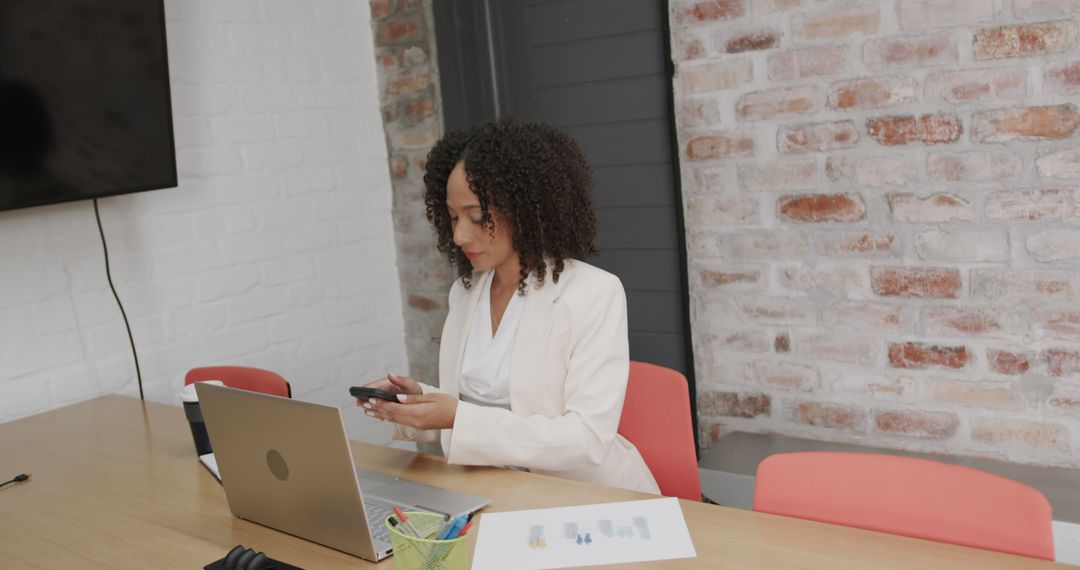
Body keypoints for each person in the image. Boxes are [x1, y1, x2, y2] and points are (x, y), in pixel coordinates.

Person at [359, 120, 659, 494]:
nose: (459, 235)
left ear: (526, 209)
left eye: (477, 218)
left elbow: (586, 439)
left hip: (583, 496)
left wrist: (458, 418)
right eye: (453, 217)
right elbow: (480, 400)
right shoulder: (465, 293)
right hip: (492, 487)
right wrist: (416, 399)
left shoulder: (594, 292)